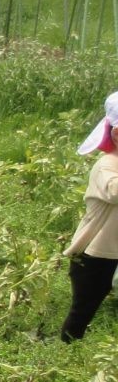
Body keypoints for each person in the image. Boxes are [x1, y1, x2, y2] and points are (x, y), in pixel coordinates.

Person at [60, 91, 118, 342]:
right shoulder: (106, 166)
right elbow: (115, 192)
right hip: (94, 255)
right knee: (83, 309)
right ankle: (66, 349)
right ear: (116, 134)